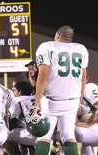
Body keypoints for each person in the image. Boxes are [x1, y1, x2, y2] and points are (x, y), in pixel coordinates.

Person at [34, 25, 89, 155]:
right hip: (72, 101)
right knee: (69, 135)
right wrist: (79, 101)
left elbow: (42, 76)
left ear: (57, 36)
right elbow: (83, 78)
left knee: (44, 137)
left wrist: (37, 100)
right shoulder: (81, 48)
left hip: (51, 100)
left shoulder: (47, 46)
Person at [7, 81, 40, 155]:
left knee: (5, 135)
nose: (14, 93)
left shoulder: (16, 100)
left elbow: (11, 119)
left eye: (15, 90)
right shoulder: (38, 97)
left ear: (20, 91)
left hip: (29, 134)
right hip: (44, 134)